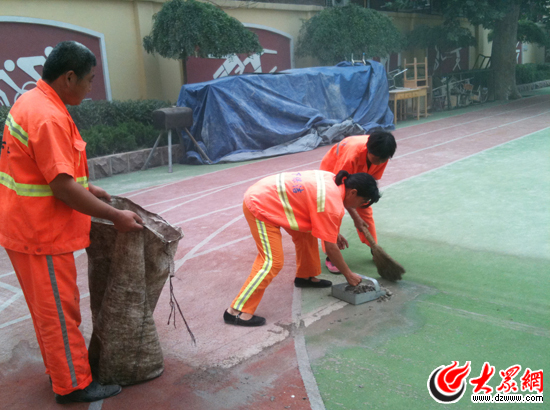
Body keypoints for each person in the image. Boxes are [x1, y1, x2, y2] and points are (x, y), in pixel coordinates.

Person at [0, 41, 144, 404]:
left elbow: (44, 169)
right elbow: (61, 187)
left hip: (24, 228)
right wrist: (114, 216)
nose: (91, 88)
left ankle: (60, 370)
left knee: (47, 311)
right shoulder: (47, 115)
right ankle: (74, 385)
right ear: (68, 77)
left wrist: (88, 187)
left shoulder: (33, 100)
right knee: (60, 315)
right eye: (89, 80)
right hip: (41, 233)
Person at [224, 170, 380, 327]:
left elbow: (321, 214)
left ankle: (305, 276)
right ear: (353, 192)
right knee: (272, 262)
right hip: (260, 203)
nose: (361, 206)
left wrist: (333, 233)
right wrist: (349, 275)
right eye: (363, 202)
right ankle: (236, 311)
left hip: (275, 198)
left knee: (307, 235)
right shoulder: (331, 202)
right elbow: (330, 248)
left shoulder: (337, 181)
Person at [320, 131, 396, 273]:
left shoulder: (382, 155)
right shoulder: (352, 156)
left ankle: (375, 249)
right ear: (368, 149)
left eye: (383, 160)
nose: (379, 162)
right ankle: (331, 254)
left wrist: (362, 208)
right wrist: (355, 217)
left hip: (358, 176)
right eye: (377, 158)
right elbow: (342, 189)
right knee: (335, 212)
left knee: (366, 212)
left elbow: (371, 181)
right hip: (334, 174)